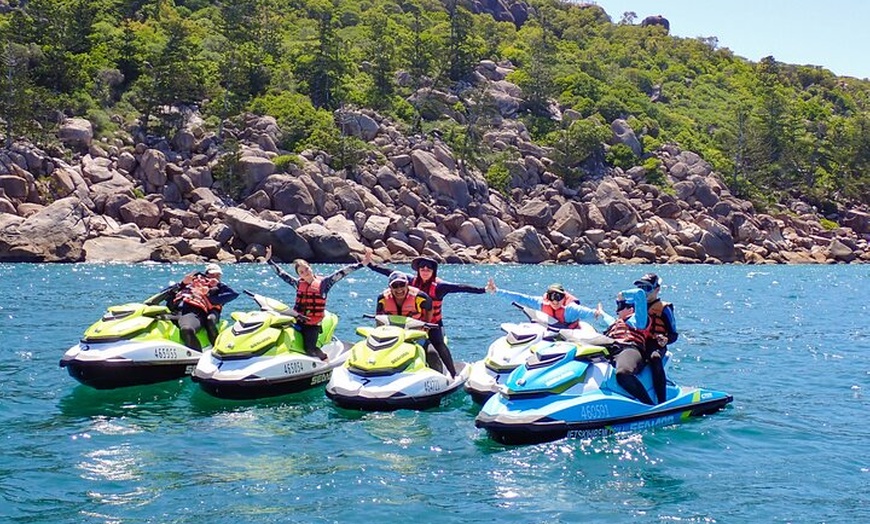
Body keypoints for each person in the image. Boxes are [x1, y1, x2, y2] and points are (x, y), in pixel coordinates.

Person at [368, 254, 485, 377]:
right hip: (410, 323)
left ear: (433, 271)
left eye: (428, 269)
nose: (425, 271)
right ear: (418, 270)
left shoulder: (439, 287)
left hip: (433, 323)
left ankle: (452, 374)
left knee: (438, 346)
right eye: (422, 268)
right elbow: (390, 273)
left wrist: (483, 289)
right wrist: (370, 264)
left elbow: (460, 287)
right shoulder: (408, 281)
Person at [267, 248, 370, 361]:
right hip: (297, 320)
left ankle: (325, 359)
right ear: (299, 275)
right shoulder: (298, 284)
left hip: (312, 325)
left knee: (310, 349)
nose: (305, 273)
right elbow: (282, 274)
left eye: (306, 269)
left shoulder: (324, 284)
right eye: (301, 272)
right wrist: (269, 261)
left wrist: (362, 264)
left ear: (310, 267)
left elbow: (342, 272)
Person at [150, 263, 239, 351]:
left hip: (193, 313)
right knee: (150, 318)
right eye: (211, 274)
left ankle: (199, 358)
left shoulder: (217, 289)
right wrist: (182, 283)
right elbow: (163, 293)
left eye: (217, 275)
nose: (214, 277)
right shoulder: (185, 285)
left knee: (187, 329)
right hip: (175, 312)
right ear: (206, 274)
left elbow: (233, 294)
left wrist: (218, 285)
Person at [599, 288, 659, 405]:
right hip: (611, 351)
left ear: (631, 309)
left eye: (620, 307)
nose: (617, 312)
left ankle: (648, 405)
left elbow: (640, 294)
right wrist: (601, 312)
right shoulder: (616, 323)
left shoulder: (638, 321)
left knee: (623, 372)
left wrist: (623, 294)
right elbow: (608, 319)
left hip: (629, 349)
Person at [485, 278, 606, 330]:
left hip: (570, 334)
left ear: (564, 298)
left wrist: (597, 312)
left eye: (558, 297)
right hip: (552, 332)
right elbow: (520, 298)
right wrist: (497, 291)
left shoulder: (570, 310)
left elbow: (586, 312)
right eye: (552, 297)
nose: (555, 301)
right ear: (547, 297)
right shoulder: (541, 303)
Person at [634, 273, 678, 404]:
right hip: (637, 340)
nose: (643, 292)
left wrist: (665, 339)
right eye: (640, 288)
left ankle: (661, 400)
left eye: (647, 288)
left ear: (657, 290)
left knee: (655, 358)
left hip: (655, 344)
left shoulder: (664, 309)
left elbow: (673, 334)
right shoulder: (634, 305)